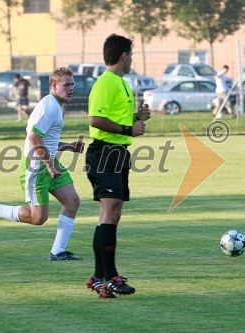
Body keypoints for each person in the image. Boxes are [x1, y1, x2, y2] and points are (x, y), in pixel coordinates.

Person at [0, 67, 85, 261]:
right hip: (36, 167)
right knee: (38, 218)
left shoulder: (56, 105)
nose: (70, 88)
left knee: (73, 201)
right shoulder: (49, 106)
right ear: (54, 86)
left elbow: (46, 141)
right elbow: (34, 138)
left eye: (72, 84)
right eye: (66, 85)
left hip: (49, 163)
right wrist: (50, 165)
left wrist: (69, 147)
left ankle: (58, 251)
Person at [85, 34, 151, 298]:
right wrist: (129, 128)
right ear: (123, 55)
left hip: (117, 153)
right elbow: (95, 120)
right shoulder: (106, 82)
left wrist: (136, 118)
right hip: (104, 153)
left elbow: (113, 118)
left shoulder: (120, 82)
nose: (132, 59)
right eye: (131, 54)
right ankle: (110, 277)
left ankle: (100, 276)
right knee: (109, 213)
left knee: (110, 215)